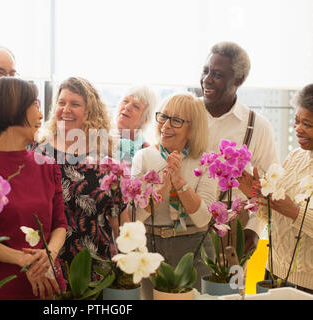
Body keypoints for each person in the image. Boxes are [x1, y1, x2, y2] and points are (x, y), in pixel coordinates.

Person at [0, 77, 67, 299]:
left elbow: (60, 225)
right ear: (11, 110)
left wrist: (49, 254)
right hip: (0, 287)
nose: (41, 115)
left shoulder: (48, 166)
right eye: (35, 105)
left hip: (48, 284)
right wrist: (24, 260)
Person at [34, 76, 125, 277]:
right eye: (61, 103)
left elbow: (117, 219)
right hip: (45, 264)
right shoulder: (37, 152)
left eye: (75, 104)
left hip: (95, 267)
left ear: (90, 112)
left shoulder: (105, 160)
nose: (66, 110)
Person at [131, 92, 216, 294]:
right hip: (151, 246)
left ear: (192, 128)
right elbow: (135, 216)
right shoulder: (143, 157)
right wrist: (162, 190)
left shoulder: (204, 161)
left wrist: (180, 183)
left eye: (176, 120)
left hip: (195, 246)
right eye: (163, 117)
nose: (166, 125)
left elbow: (204, 219)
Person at [200, 41, 279, 256]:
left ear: (239, 80)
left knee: (230, 289)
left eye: (217, 74)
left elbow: (271, 185)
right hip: (184, 221)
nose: (207, 79)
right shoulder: (186, 113)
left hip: (234, 226)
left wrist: (254, 229)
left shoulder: (258, 125)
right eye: (205, 71)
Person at [238, 83, 313, 294]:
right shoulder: (295, 157)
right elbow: (273, 218)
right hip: (273, 274)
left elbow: (289, 211)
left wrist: (294, 212)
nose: (297, 129)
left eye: (306, 124)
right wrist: (255, 196)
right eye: (296, 121)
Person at [115, 85, 158, 162]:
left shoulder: (146, 152)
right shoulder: (99, 138)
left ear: (145, 119)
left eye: (136, 106)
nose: (127, 107)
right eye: (125, 101)